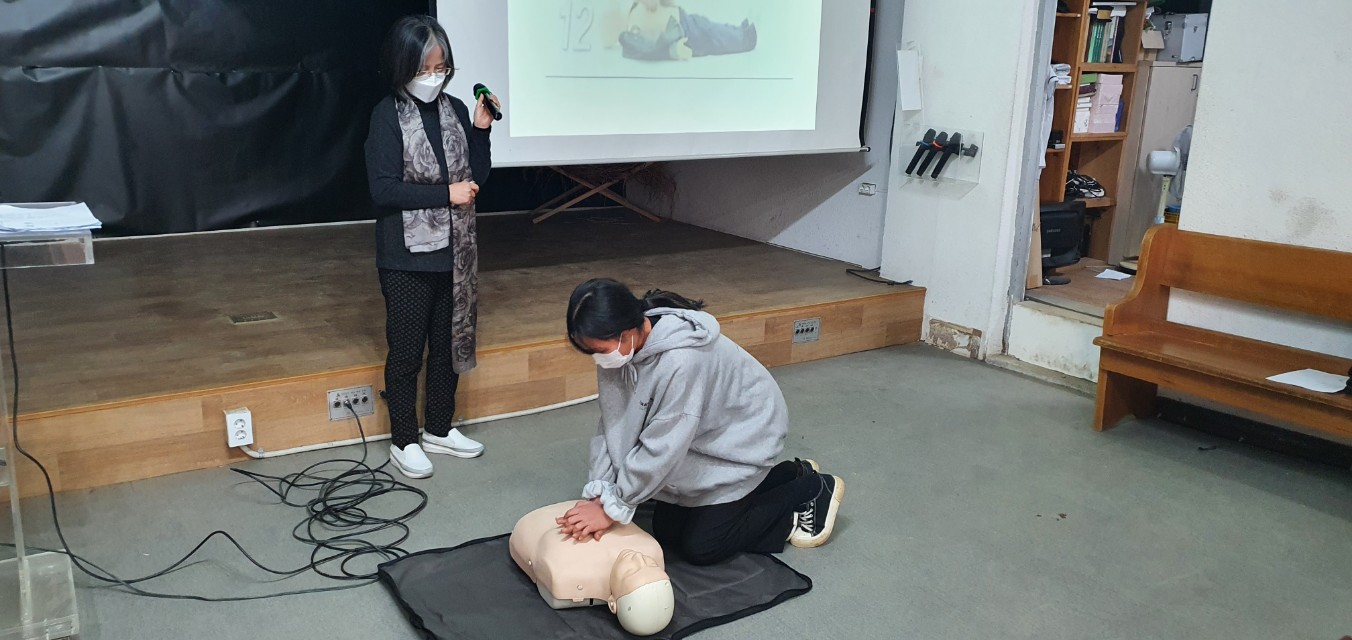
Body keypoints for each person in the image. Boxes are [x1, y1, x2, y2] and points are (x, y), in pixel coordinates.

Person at [556, 279, 844, 566]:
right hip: (702, 436)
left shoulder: (681, 361)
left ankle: (812, 490)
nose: (597, 359)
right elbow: (613, 425)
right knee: (667, 532)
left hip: (746, 436)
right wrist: (601, 491)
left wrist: (614, 505)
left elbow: (665, 446)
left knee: (703, 547)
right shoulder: (617, 353)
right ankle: (791, 473)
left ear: (626, 331)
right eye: (590, 352)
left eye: (599, 350)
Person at [364, 15, 500, 479]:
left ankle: (440, 429)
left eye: (441, 67)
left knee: (448, 346)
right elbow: (383, 190)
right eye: (425, 68)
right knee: (406, 353)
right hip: (405, 256)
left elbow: (475, 179)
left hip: (455, 252)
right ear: (403, 65)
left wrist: (481, 130)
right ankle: (404, 440)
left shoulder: (456, 109)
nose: (433, 76)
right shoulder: (387, 115)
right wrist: (445, 194)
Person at [617, 0, 758, 61]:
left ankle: (738, 31)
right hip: (685, 33)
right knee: (714, 35)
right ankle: (744, 40)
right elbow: (646, 49)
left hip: (683, 21)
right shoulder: (635, 23)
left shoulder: (638, 8)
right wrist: (671, 51)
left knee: (712, 28)